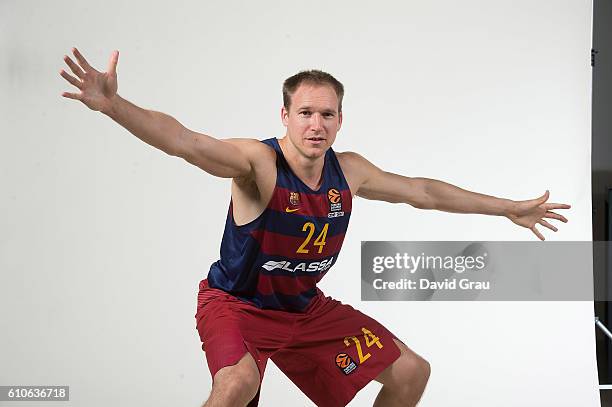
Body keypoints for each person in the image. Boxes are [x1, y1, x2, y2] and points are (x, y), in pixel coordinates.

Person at [60, 48, 571, 407]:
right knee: (236, 385)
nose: (315, 124)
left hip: (304, 313)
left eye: (327, 114)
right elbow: (185, 141)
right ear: (285, 114)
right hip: (237, 305)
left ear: (340, 120)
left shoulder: (348, 170)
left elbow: (424, 191)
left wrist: (506, 207)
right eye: (305, 112)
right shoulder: (258, 162)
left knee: (412, 371)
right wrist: (114, 107)